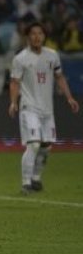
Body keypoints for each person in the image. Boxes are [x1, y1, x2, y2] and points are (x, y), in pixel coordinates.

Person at [8, 22, 79, 195]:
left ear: (44, 36)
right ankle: (25, 183)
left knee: (46, 146)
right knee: (33, 145)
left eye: (40, 33)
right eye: (33, 33)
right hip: (29, 107)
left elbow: (59, 77)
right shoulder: (21, 58)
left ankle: (36, 177)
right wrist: (13, 102)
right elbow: (15, 82)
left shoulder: (52, 55)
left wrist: (69, 97)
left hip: (47, 110)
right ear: (27, 37)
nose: (37, 36)